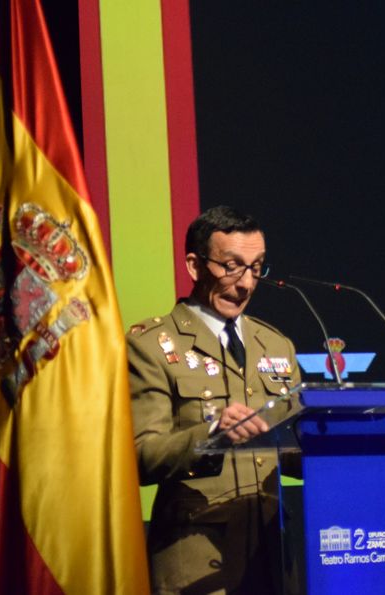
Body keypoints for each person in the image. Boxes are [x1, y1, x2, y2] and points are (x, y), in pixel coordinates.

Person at [127, 206, 302, 594]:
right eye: (232, 266)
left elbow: (291, 447)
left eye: (256, 268)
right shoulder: (152, 346)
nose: (246, 284)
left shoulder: (275, 344)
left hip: (272, 556)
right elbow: (140, 456)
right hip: (196, 562)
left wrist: (338, 440)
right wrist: (211, 434)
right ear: (194, 265)